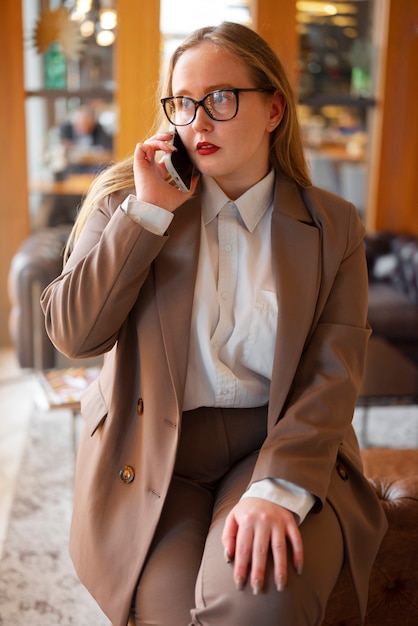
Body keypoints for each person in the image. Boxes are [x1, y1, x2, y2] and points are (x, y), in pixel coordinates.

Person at [41, 21, 387, 626]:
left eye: (220, 99)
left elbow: (333, 375)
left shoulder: (334, 226)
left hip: (275, 442)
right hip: (154, 451)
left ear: (274, 108)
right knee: (171, 613)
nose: (196, 120)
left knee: (255, 603)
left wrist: (277, 490)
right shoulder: (127, 203)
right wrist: (146, 214)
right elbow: (74, 336)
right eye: (182, 102)